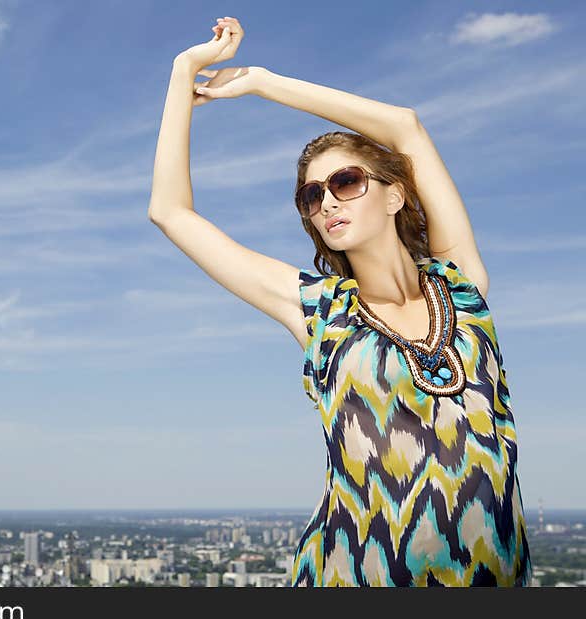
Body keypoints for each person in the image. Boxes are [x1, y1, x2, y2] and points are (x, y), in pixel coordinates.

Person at [147, 16, 532, 587]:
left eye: (347, 181)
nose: (326, 200)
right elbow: (171, 212)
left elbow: (405, 128)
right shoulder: (315, 309)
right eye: (311, 194)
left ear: (396, 193)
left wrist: (261, 81)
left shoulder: (463, 288)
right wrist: (184, 73)